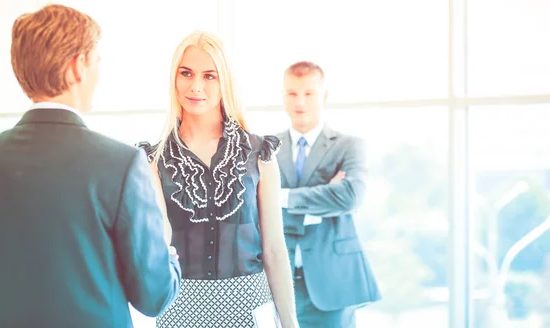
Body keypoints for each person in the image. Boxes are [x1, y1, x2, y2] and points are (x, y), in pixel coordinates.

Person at [0, 4, 181, 328]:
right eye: (97, 62)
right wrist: (168, 251)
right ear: (78, 66)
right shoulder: (121, 165)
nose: (98, 74)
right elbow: (154, 295)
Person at [136, 31, 298, 328]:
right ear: (174, 78)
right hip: (180, 309)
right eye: (186, 73)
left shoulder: (260, 154)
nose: (196, 86)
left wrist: (290, 323)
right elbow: (159, 240)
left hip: (251, 307)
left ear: (225, 82)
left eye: (209, 76)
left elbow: (274, 248)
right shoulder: (152, 160)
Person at [276, 61, 381, 328]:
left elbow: (350, 197)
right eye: (292, 93)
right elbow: (252, 206)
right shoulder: (267, 149)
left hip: (332, 281)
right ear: (283, 96)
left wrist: (280, 197)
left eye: (309, 93)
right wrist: (324, 197)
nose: (300, 101)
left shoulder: (349, 146)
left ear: (324, 96)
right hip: (277, 281)